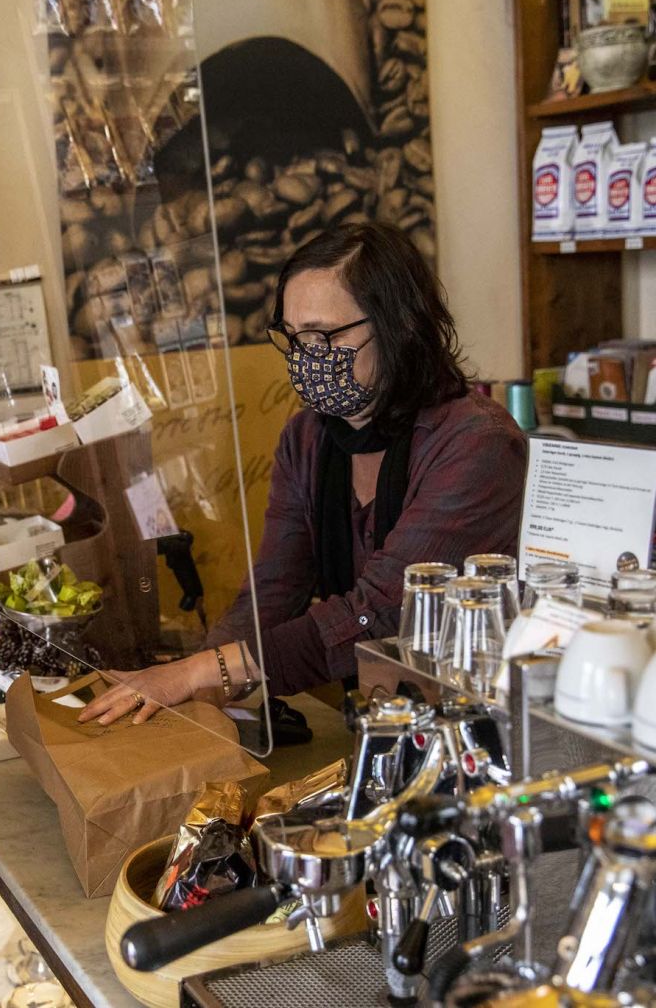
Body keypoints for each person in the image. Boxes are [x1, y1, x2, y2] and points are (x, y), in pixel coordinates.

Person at [81, 222, 527, 726]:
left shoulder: (476, 444)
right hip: (372, 715)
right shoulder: (308, 438)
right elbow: (275, 586)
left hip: (467, 723)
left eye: (321, 336)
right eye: (291, 338)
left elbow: (382, 611)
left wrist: (203, 672)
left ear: (400, 325)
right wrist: (196, 683)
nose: (303, 358)